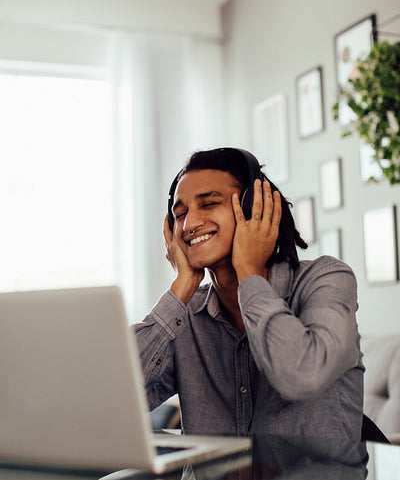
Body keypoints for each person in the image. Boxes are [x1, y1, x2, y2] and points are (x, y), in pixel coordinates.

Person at [132, 147, 364, 440]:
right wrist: (182, 286)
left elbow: (302, 378)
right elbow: (115, 396)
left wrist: (249, 273)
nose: (189, 225)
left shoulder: (326, 279)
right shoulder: (186, 316)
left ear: (253, 208)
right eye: (180, 214)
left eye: (209, 204)